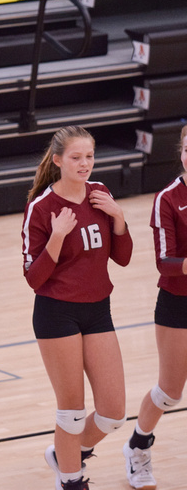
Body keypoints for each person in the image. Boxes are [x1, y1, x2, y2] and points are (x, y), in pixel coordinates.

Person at [21, 126, 133, 490]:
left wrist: (118, 218)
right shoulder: (42, 207)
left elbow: (124, 258)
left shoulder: (100, 193)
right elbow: (34, 279)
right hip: (57, 313)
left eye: (89, 156)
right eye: (76, 158)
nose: (85, 164)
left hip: (98, 309)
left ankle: (63, 454)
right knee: (70, 411)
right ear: (58, 161)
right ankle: (71, 480)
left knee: (114, 411)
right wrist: (56, 236)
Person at [121, 124, 187, 490]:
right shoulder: (168, 200)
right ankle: (137, 446)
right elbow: (165, 262)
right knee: (170, 392)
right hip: (178, 303)